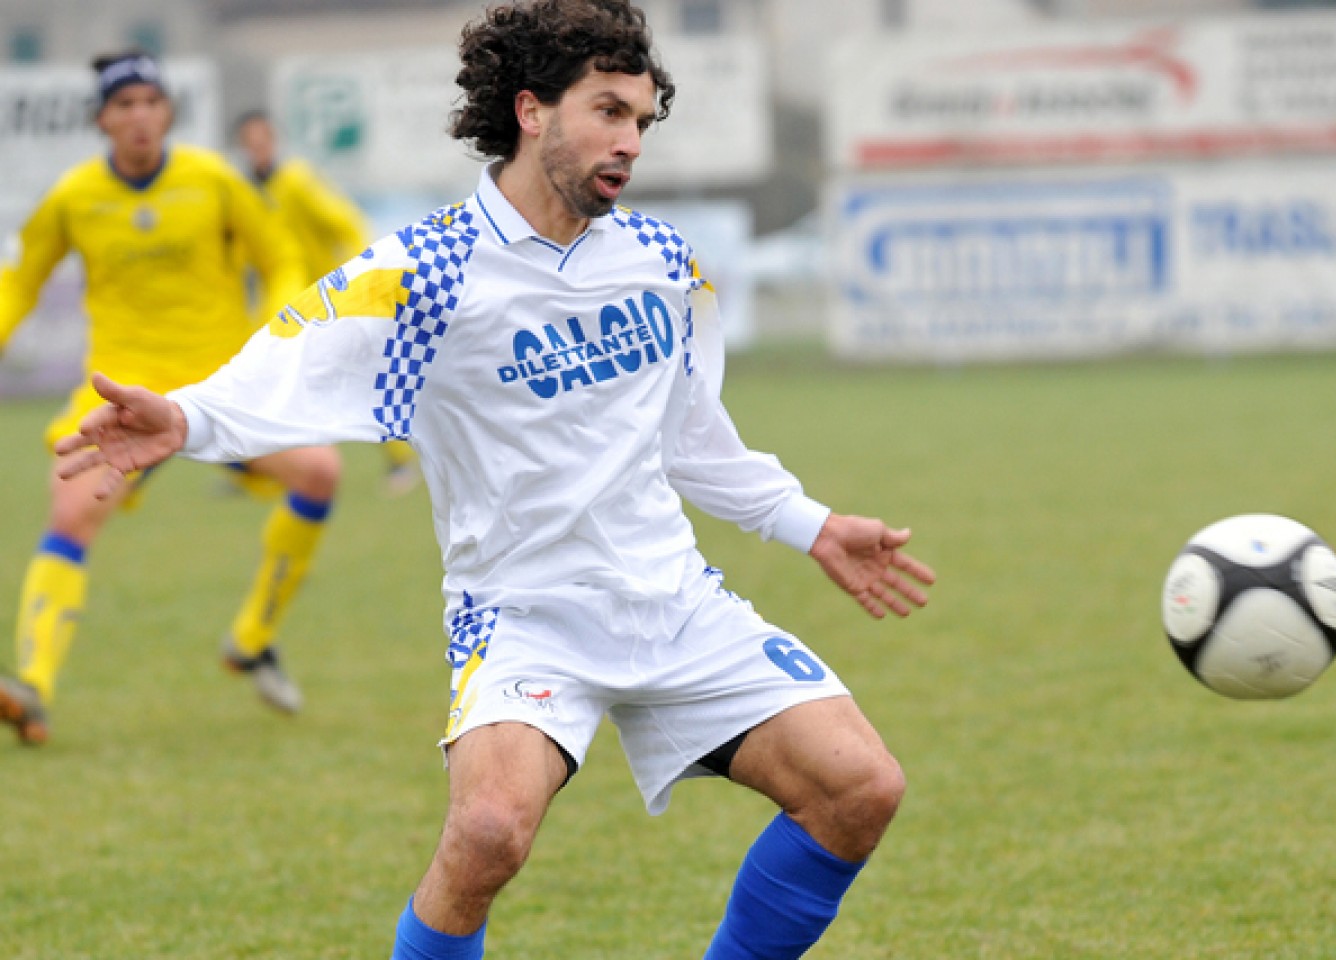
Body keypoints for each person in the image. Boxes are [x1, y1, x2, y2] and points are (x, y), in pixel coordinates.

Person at [55, 3, 936, 957]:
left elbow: (690, 440)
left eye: (641, 120)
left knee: (862, 788)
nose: (629, 141)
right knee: (486, 836)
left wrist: (811, 525)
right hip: (524, 618)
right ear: (531, 111)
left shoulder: (664, 265)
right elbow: (293, 363)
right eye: (607, 111)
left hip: (674, 604)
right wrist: (186, 419)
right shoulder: (427, 272)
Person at [0, 51, 342, 745]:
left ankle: (250, 639)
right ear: (102, 119)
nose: (137, 116)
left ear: (167, 113)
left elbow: (281, 257)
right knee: (69, 510)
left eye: (149, 102)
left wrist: (277, 335)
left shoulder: (213, 181)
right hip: (119, 395)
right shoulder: (73, 197)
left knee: (320, 472)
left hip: (218, 389)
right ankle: (30, 689)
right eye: (122, 105)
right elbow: (21, 282)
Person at [232, 109, 421, 497]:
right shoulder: (244, 190)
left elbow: (347, 222)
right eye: (251, 143)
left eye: (263, 140)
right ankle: (258, 467)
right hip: (283, 303)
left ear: (275, 141)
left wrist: (360, 279)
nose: (258, 149)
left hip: (325, 302)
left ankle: (401, 460)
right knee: (264, 375)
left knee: (362, 377)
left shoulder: (296, 181)